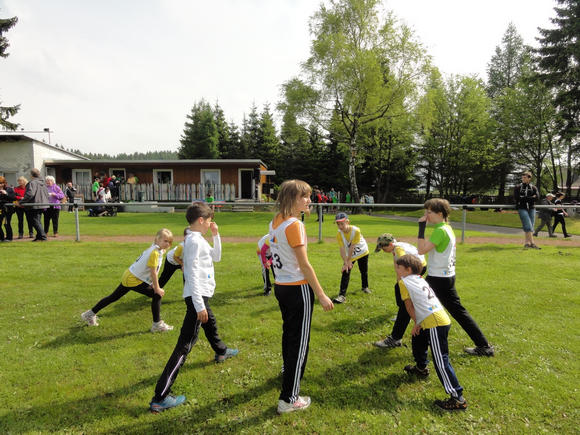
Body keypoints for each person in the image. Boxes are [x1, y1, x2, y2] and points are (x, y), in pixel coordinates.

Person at [149, 203, 238, 413]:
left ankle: (221, 351)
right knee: (185, 345)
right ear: (201, 220)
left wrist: (216, 235)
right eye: (209, 221)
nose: (210, 224)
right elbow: (190, 273)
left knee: (210, 322)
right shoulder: (193, 242)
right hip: (197, 297)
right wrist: (199, 305)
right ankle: (160, 397)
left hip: (201, 296)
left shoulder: (197, 239)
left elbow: (216, 257)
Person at [269, 179, 334, 414]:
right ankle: (289, 399)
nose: (309, 200)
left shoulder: (275, 221)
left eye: (309, 196)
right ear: (290, 200)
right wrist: (322, 294)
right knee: (299, 341)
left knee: (290, 333)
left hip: (281, 287)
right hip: (296, 288)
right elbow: (304, 265)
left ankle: (289, 372)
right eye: (304, 197)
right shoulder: (294, 225)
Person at [417, 198, 494, 357]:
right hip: (445, 277)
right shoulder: (447, 228)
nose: (426, 215)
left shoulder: (440, 230)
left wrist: (421, 227)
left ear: (440, 213)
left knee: (417, 303)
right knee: (457, 312)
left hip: (438, 279)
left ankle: (400, 338)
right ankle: (483, 345)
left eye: (429, 212)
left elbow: (421, 250)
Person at [397, 254, 468, 411]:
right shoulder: (420, 278)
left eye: (399, 268)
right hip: (436, 318)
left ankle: (457, 398)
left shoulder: (404, 282)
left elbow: (409, 307)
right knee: (418, 338)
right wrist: (419, 324)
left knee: (441, 360)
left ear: (408, 269)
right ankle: (421, 368)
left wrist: (417, 322)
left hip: (435, 323)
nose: (397, 270)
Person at [81, 229, 174, 332]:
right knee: (157, 295)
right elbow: (153, 272)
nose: (167, 244)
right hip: (133, 279)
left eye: (169, 242)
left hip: (130, 275)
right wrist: (157, 288)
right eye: (165, 241)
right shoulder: (155, 253)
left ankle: (89, 314)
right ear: (157, 239)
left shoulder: (156, 249)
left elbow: (151, 270)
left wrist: (152, 284)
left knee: (113, 297)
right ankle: (157, 325)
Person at [373, 233, 426, 349]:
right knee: (398, 290)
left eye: (384, 248)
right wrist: (399, 282)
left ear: (390, 244)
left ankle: (395, 338)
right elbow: (398, 267)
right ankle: (402, 316)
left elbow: (404, 264)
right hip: (416, 267)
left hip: (415, 268)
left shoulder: (398, 250)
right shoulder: (397, 247)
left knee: (405, 306)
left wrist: (404, 281)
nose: (383, 250)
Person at [332, 212, 371, 304]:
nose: (340, 226)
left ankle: (365, 287)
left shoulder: (356, 230)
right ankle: (342, 295)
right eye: (338, 224)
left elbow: (352, 246)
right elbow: (342, 249)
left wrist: (348, 260)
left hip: (362, 252)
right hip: (351, 254)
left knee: (363, 270)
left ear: (347, 222)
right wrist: (346, 263)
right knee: (345, 272)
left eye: (342, 223)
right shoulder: (339, 234)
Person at [19, 168, 50, 242]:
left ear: (31, 175)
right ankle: (39, 236)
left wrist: (21, 201)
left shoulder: (32, 183)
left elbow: (30, 194)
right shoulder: (42, 183)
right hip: (42, 204)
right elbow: (47, 194)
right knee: (37, 221)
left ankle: (43, 236)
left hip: (35, 205)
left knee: (34, 221)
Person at [514, 171, 540, 249]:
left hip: (531, 208)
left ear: (529, 178)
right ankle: (532, 243)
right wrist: (531, 198)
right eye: (522, 177)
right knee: (528, 225)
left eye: (525, 177)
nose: (523, 178)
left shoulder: (533, 187)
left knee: (530, 225)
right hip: (522, 208)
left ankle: (527, 243)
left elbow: (537, 198)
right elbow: (517, 198)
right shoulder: (518, 187)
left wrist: (524, 198)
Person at [0, 176, 16, 242]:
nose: (0, 185)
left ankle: (9, 237)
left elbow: (13, 197)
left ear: (4, 183)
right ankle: (1, 237)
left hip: (7, 210)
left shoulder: (9, 189)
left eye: (1, 183)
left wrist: (6, 193)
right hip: (0, 210)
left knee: (6, 223)